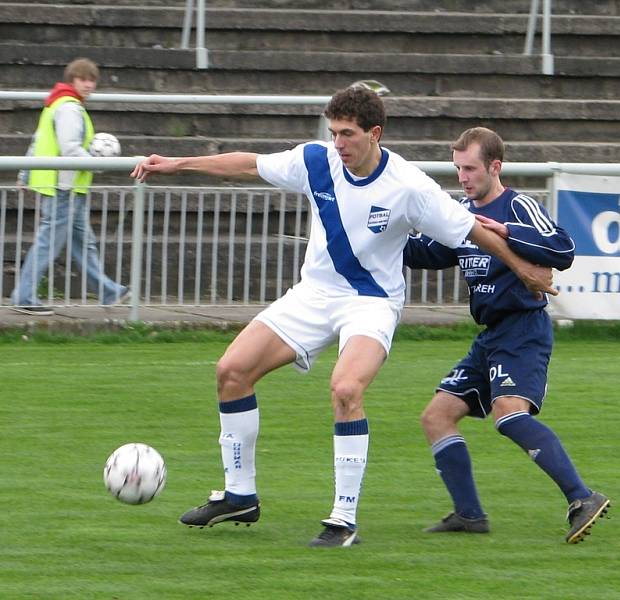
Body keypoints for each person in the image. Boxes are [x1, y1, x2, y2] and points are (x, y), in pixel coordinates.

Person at [130, 87, 555, 547]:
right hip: (313, 295)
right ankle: (239, 495)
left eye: (348, 134)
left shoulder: (410, 185)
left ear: (375, 134)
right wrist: (176, 164)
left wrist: (523, 267)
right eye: (333, 132)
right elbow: (249, 163)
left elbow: (472, 229)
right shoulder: (316, 161)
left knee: (346, 388)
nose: (339, 143)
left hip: (371, 302)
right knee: (231, 371)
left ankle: (343, 519)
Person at [403, 127, 610, 544]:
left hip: (523, 329)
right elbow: (429, 251)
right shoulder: (461, 213)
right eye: (457, 168)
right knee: (436, 417)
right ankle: (469, 515)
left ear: (495, 167)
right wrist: (380, 233)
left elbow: (562, 249)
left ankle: (582, 497)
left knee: (509, 412)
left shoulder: (518, 206)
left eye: (470, 168)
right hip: (491, 336)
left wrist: (505, 233)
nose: (462, 177)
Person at [11, 58, 128, 315]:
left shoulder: (57, 104)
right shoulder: (70, 109)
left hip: (67, 186)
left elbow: (37, 141)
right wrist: (99, 166)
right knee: (49, 243)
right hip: (63, 187)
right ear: (72, 80)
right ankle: (24, 296)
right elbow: (70, 149)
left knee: (83, 243)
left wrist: (25, 172)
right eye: (83, 79)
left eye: (92, 80)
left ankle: (108, 291)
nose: (88, 84)